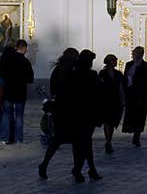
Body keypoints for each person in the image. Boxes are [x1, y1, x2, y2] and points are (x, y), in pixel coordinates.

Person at [38, 47, 79, 177]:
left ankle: (46, 164)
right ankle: (76, 168)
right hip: (66, 108)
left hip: (62, 108)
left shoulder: (59, 70)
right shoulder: (69, 71)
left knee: (63, 140)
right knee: (68, 140)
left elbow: (53, 89)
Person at [67, 49, 103, 182]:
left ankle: (82, 169)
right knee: (85, 142)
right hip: (87, 113)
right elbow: (98, 93)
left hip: (76, 113)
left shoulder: (72, 74)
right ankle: (84, 169)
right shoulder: (92, 75)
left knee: (80, 143)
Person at [0, 38, 34, 144]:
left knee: (6, 115)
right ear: (24, 48)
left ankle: (5, 137)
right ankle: (18, 139)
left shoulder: (7, 60)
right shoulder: (25, 61)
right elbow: (30, 79)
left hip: (8, 91)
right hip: (20, 92)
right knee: (19, 116)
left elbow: (1, 74)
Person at [121, 46, 147, 147]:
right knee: (131, 114)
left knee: (140, 115)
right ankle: (133, 130)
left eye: (138, 53)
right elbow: (126, 78)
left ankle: (137, 135)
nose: (136, 55)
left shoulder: (146, 66)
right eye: (135, 53)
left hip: (141, 95)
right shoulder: (129, 64)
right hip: (130, 94)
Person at [98, 54, 125, 156]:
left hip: (115, 99)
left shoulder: (118, 74)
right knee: (107, 121)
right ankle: (108, 141)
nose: (115, 62)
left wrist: (123, 100)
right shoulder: (102, 73)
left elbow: (121, 87)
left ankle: (109, 139)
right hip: (106, 99)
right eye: (114, 60)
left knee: (113, 121)